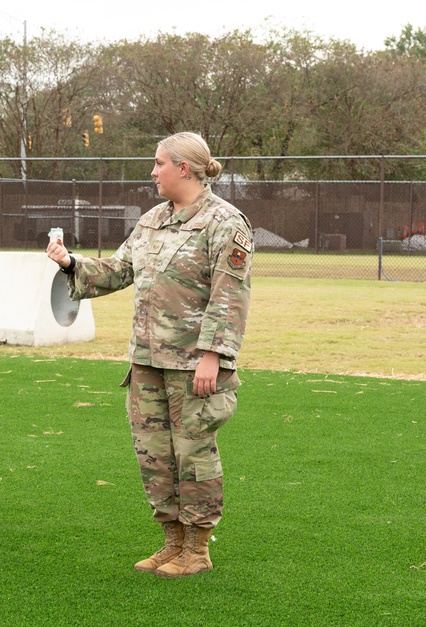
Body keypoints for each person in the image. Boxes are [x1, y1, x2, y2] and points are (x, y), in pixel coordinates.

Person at [46, 132, 252, 578]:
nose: (153, 171)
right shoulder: (153, 220)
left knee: (193, 455)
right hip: (147, 362)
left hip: (193, 364)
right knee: (154, 456)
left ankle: (197, 549)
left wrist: (213, 357)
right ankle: (172, 542)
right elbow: (119, 270)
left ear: (184, 168)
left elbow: (229, 295)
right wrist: (70, 264)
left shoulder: (225, 222)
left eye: (159, 163)